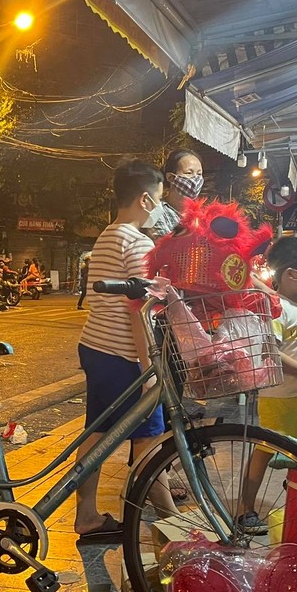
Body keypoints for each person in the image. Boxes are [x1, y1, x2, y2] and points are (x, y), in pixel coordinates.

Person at [74, 160, 175, 539]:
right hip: (122, 354)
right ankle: (172, 523)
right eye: (161, 200)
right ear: (146, 199)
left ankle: (86, 515)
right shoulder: (138, 241)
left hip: (96, 346)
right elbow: (140, 312)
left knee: (97, 432)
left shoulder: (108, 234)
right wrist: (149, 370)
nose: (162, 210)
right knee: (149, 435)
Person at [238, 237, 297, 532]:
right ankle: (245, 511)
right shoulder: (278, 309)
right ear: (291, 273)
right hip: (280, 399)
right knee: (264, 453)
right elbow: (271, 352)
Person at [149, 148, 204, 239]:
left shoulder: (202, 214)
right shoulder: (158, 213)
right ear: (170, 178)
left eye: (199, 174)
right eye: (189, 173)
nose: (195, 179)